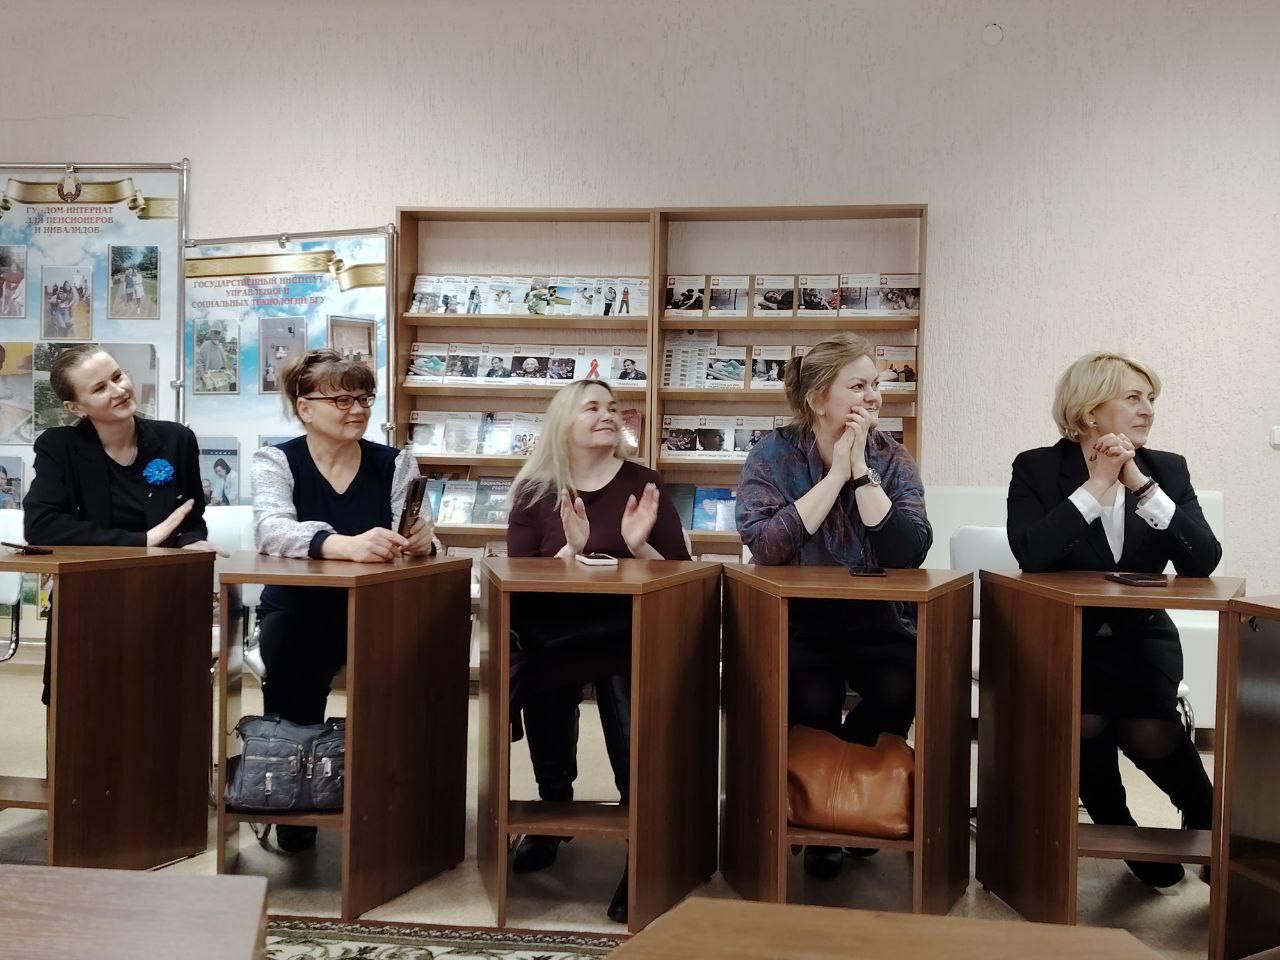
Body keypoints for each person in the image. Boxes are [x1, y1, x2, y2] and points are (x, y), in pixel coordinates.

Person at [1007, 351, 1219, 888]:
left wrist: (1141, 486)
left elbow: (1203, 560)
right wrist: (1097, 484)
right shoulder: (1036, 468)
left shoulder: (1166, 468)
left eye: (1151, 399)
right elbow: (1033, 553)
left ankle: (1207, 819)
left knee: (1148, 727)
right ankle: (1118, 828)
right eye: (1133, 397)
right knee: (1084, 720)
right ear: (1089, 409)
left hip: (1141, 637)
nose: (1148, 409)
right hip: (1064, 638)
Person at [736, 332, 931, 881]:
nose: (873, 397)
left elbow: (909, 551)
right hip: (798, 619)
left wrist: (861, 471)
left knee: (902, 684)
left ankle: (849, 801)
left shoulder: (891, 456)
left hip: (878, 619)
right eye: (858, 386)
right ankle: (823, 814)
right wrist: (835, 476)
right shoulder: (772, 454)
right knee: (812, 694)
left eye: (876, 385)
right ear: (818, 398)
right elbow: (766, 546)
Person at [506, 378, 690, 924]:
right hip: (554, 633)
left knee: (625, 678)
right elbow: (516, 580)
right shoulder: (535, 490)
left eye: (612, 407)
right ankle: (553, 809)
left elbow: (681, 574)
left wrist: (639, 546)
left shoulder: (644, 483)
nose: (607, 415)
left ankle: (639, 836)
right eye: (591, 408)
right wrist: (571, 550)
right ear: (563, 423)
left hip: (626, 631)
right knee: (543, 678)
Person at [251, 349, 437, 853]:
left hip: (378, 606)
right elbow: (270, 529)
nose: (357, 409)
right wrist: (342, 544)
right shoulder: (277, 460)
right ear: (304, 407)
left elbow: (416, 533)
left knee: (408, 677)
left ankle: (389, 800)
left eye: (364, 398)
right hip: (300, 606)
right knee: (292, 663)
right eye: (341, 400)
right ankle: (293, 801)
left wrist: (423, 540)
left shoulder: (395, 462)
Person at [23, 344, 214, 705]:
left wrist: (192, 542)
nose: (119, 390)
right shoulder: (58, 446)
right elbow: (41, 526)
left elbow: (190, 517)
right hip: (87, 597)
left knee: (164, 703)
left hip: (162, 593)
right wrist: (143, 540)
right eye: (99, 388)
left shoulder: (177, 439)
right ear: (76, 408)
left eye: (117, 376)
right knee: (81, 706)